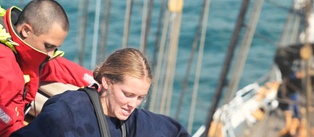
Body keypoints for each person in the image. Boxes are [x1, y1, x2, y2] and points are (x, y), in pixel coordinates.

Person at [10, 48, 192, 137]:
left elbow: (177, 133)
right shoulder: (65, 113)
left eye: (140, 97)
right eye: (128, 94)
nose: (133, 104)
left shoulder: (136, 121)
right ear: (106, 81)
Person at [0, 0, 95, 137]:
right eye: (48, 46)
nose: (50, 55)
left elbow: (55, 67)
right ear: (26, 30)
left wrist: (96, 79)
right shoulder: (6, 70)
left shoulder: (22, 43)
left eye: (55, 48)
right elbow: (9, 130)